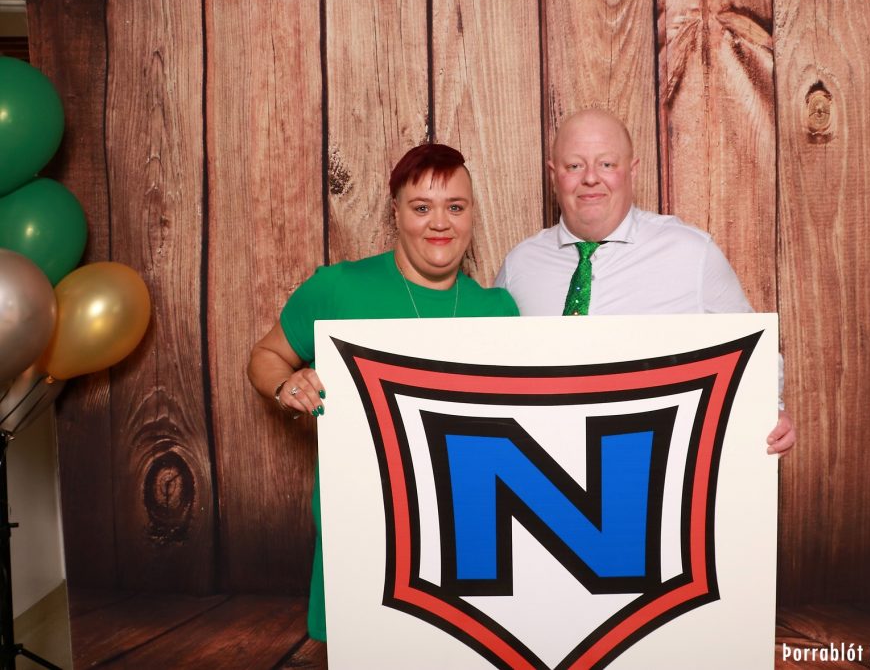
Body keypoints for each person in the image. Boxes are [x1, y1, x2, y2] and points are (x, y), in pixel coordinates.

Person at [246, 143, 519, 642]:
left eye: (455, 207)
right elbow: (265, 355)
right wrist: (287, 385)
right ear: (396, 213)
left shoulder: (499, 310)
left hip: (470, 543)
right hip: (364, 531)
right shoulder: (339, 288)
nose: (440, 223)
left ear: (472, 214)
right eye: (422, 207)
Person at [495, 108, 795, 455]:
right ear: (554, 175)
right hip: (545, 460)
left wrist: (769, 411)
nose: (590, 178)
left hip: (655, 458)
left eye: (607, 164)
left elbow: (754, 351)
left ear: (632, 170)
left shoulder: (690, 253)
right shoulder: (519, 266)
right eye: (574, 166)